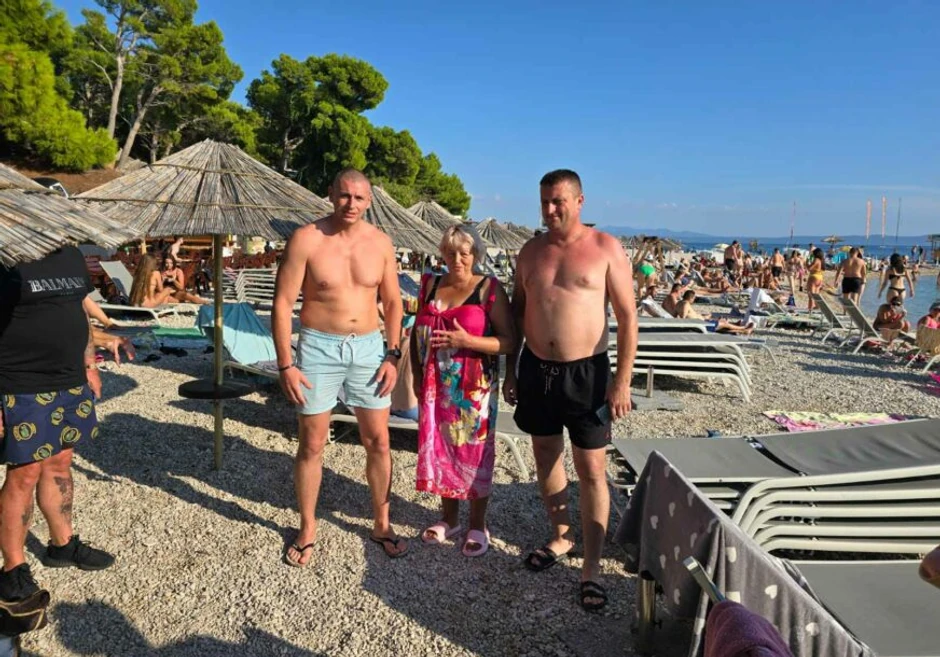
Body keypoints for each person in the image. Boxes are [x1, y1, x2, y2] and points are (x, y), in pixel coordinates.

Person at [504, 169, 637, 612]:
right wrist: (511, 371)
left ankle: (592, 566)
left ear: (580, 201)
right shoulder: (530, 251)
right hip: (536, 370)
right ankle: (562, 536)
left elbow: (628, 318)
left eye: (558, 201)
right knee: (545, 456)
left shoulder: (605, 248)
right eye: (544, 201)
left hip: (588, 374)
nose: (549, 210)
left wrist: (622, 381)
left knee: (592, 469)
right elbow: (517, 314)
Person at [273, 168, 407, 567]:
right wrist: (286, 364)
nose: (351, 204)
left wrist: (393, 354)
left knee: (378, 440)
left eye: (359, 198)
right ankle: (307, 526)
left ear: (369, 201)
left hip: (368, 348)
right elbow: (283, 303)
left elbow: (393, 303)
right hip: (319, 347)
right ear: (331, 193)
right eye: (345, 195)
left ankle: (381, 523)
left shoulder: (380, 243)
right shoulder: (306, 238)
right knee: (312, 443)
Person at [0, 246, 116, 602]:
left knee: (61, 462)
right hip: (19, 383)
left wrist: (89, 365)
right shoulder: (6, 255)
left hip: (69, 381)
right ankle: (13, 569)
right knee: (24, 473)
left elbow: (77, 309)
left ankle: (62, 544)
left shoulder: (69, 254)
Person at [411, 225, 515, 557]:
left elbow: (510, 341)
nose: (458, 259)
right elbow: (415, 333)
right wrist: (415, 374)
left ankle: (477, 524)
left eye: (465, 253)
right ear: (443, 253)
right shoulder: (430, 285)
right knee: (443, 447)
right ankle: (450, 519)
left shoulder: (488, 289)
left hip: (474, 389)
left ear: (476, 255)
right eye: (451, 252)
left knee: (475, 453)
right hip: (435, 386)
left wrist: (467, 341)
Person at [673, 290, 754, 334]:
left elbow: (675, 315)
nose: (694, 300)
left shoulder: (679, 303)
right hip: (699, 325)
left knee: (721, 323)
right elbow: (683, 318)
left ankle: (740, 328)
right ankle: (744, 328)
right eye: (694, 298)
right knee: (723, 324)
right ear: (691, 298)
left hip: (700, 323)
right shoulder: (685, 304)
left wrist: (703, 316)